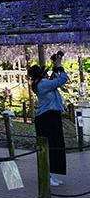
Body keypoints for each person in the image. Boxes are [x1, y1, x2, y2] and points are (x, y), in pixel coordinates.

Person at [27, 51, 68, 186]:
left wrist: (55, 66)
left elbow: (56, 80)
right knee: (50, 147)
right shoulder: (42, 84)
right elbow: (62, 79)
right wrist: (59, 65)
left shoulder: (42, 82)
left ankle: (52, 174)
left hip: (51, 117)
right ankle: (47, 176)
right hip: (47, 118)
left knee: (56, 146)